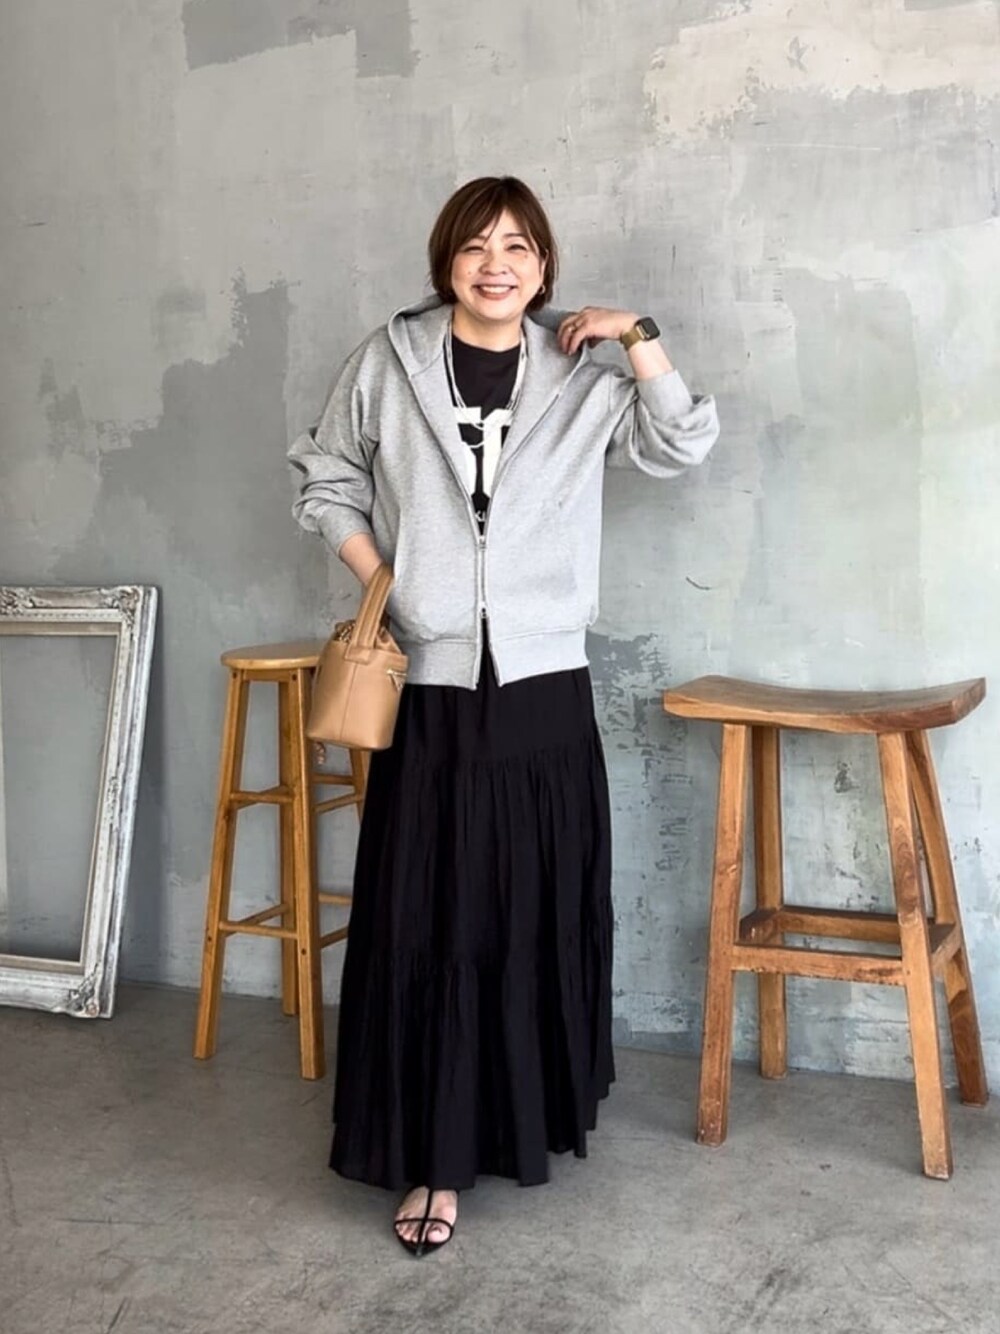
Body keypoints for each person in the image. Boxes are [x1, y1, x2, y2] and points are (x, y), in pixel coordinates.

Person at [288, 175, 719, 1258]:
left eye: (518, 246)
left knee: (530, 910)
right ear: (446, 260)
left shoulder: (580, 379)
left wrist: (638, 335)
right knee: (429, 917)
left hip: (543, 686)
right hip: (431, 685)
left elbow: (681, 443)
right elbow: (325, 479)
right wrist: (389, 580)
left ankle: (528, 1114)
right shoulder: (388, 361)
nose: (496, 264)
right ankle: (432, 1156)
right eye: (477, 245)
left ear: (542, 266)